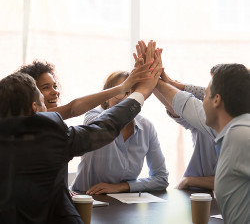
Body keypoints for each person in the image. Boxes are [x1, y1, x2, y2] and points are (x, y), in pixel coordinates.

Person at [0, 57, 161, 223]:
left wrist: (124, 88)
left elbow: (71, 108)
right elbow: (103, 126)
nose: (55, 92)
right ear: (35, 107)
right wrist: (139, 93)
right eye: (43, 95)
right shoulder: (51, 130)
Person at [154, 63, 250, 224]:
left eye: (204, 95)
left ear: (216, 100)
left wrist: (153, 80)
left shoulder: (240, 136)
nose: (201, 101)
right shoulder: (235, 131)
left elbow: (188, 105)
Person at [134, 40, 217, 190]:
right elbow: (173, 105)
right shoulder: (205, 119)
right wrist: (152, 78)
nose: (205, 96)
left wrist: (151, 76)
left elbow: (182, 101)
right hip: (197, 196)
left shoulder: (231, 126)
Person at [71, 71, 169, 194]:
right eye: (122, 90)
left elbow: (161, 178)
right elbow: (104, 123)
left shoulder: (146, 127)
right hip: (87, 199)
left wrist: (123, 186)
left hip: (124, 204)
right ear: (106, 97)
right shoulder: (93, 117)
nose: (127, 98)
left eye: (132, 92)